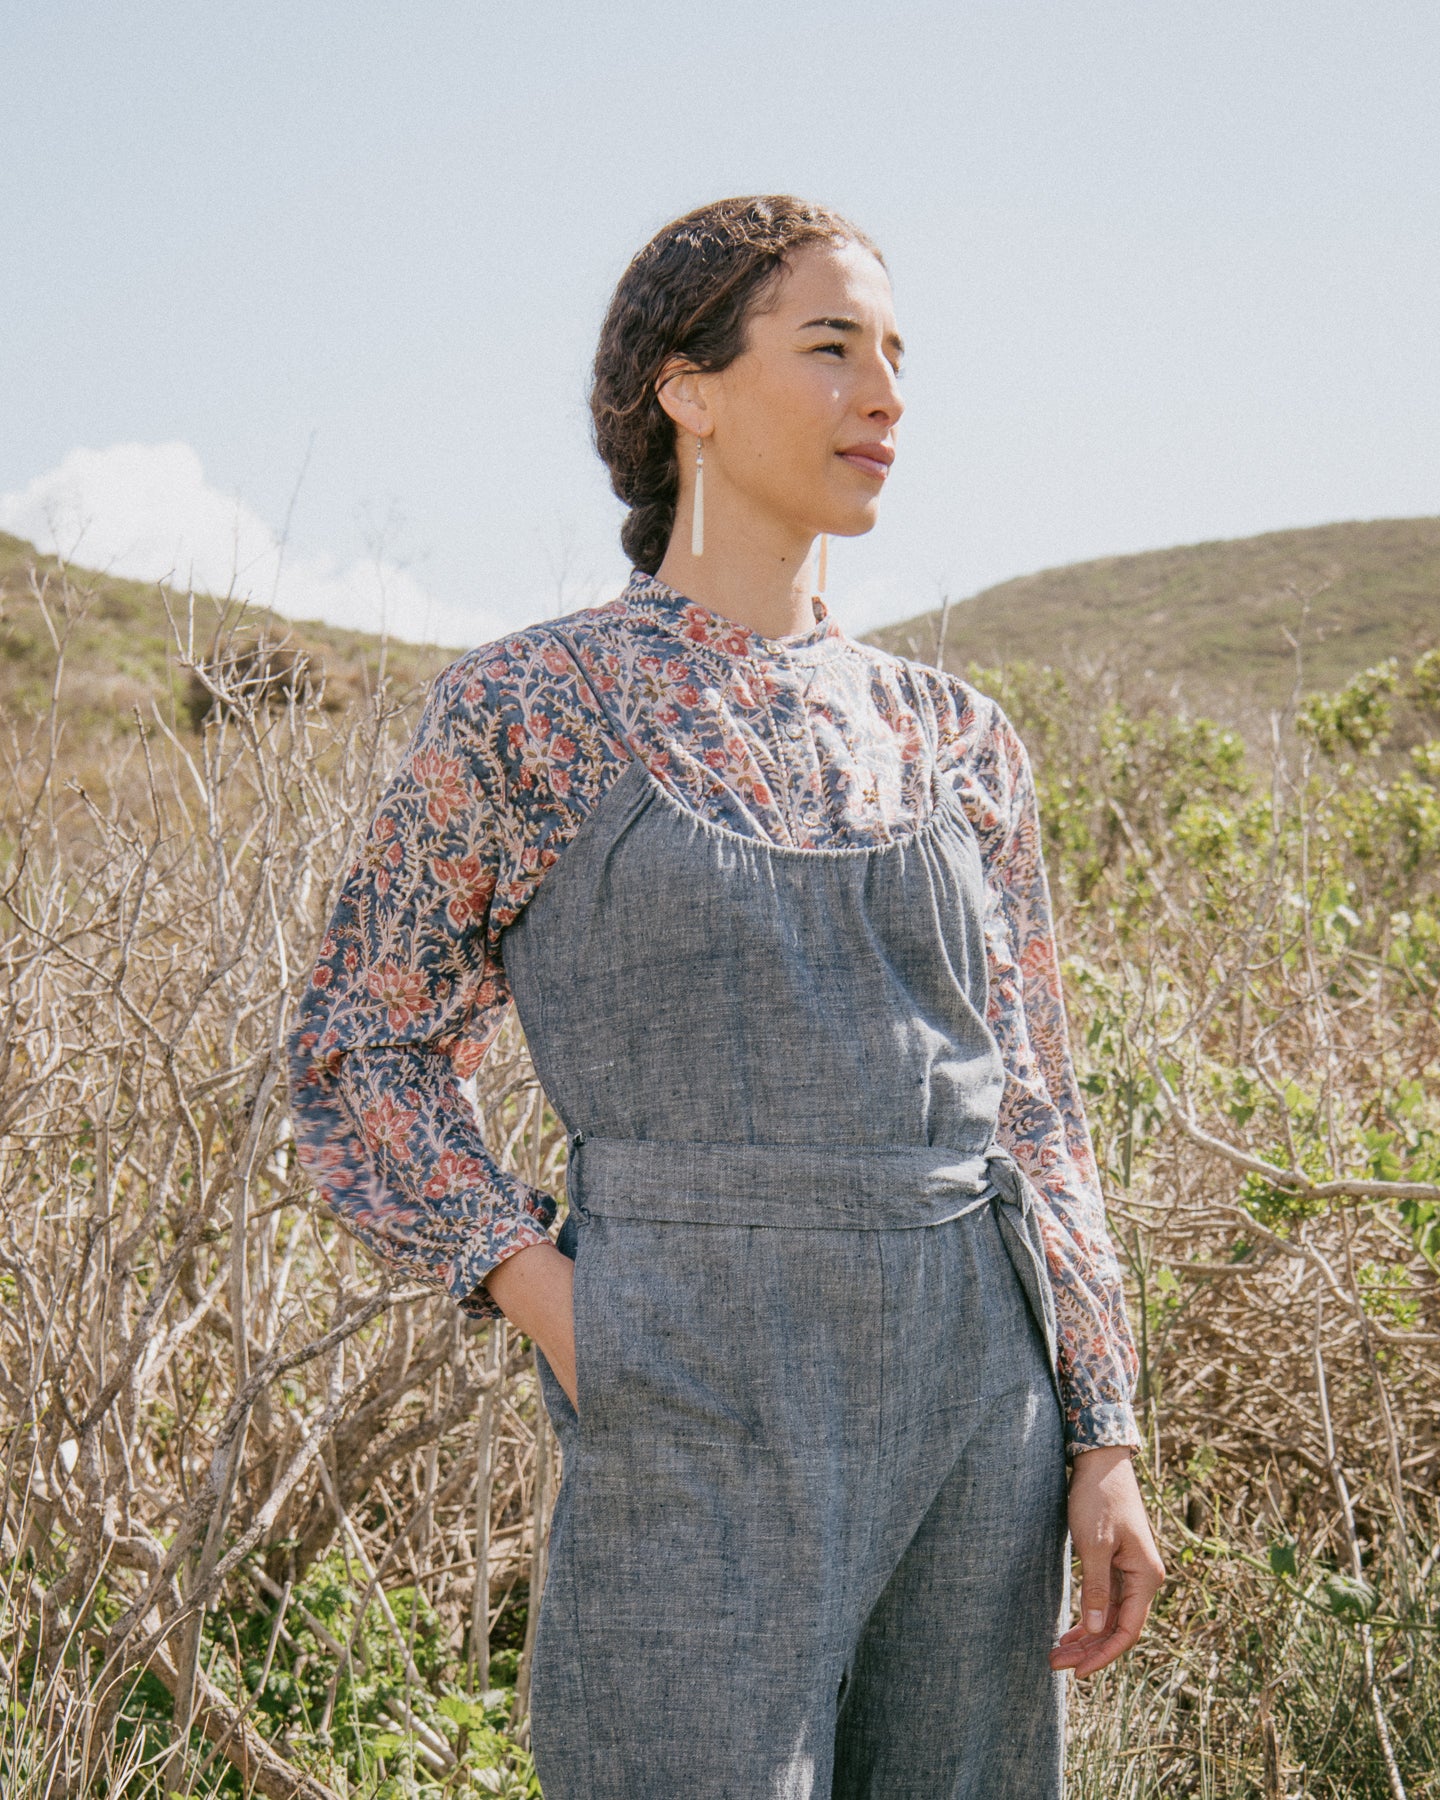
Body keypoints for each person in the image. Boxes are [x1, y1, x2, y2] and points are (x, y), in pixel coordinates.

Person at [287, 193, 1166, 1799]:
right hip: (692, 1375)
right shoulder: (530, 708)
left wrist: (1102, 1431)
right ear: (685, 389)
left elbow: (1037, 1098)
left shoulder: (958, 735)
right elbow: (361, 1053)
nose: (886, 396)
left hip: (983, 1393)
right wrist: (550, 1299)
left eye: (898, 355)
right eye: (831, 348)